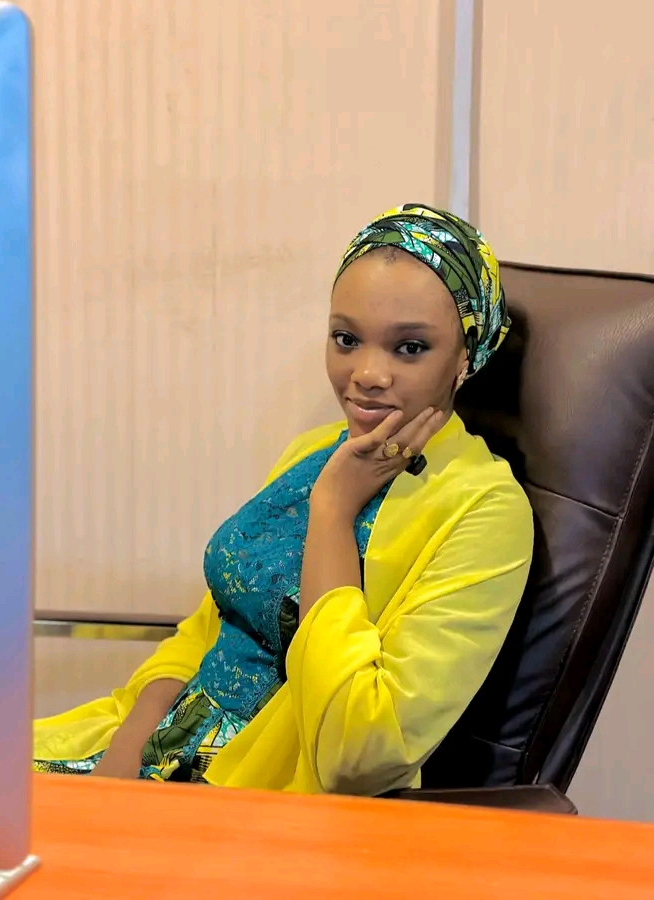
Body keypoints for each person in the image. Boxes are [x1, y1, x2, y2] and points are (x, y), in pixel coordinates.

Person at [34, 204, 533, 796]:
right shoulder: (313, 451)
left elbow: (358, 754)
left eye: (409, 347)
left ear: (466, 356)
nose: (367, 373)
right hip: (148, 752)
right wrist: (124, 759)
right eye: (347, 339)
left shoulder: (484, 510)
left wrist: (333, 513)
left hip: (255, 800)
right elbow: (209, 626)